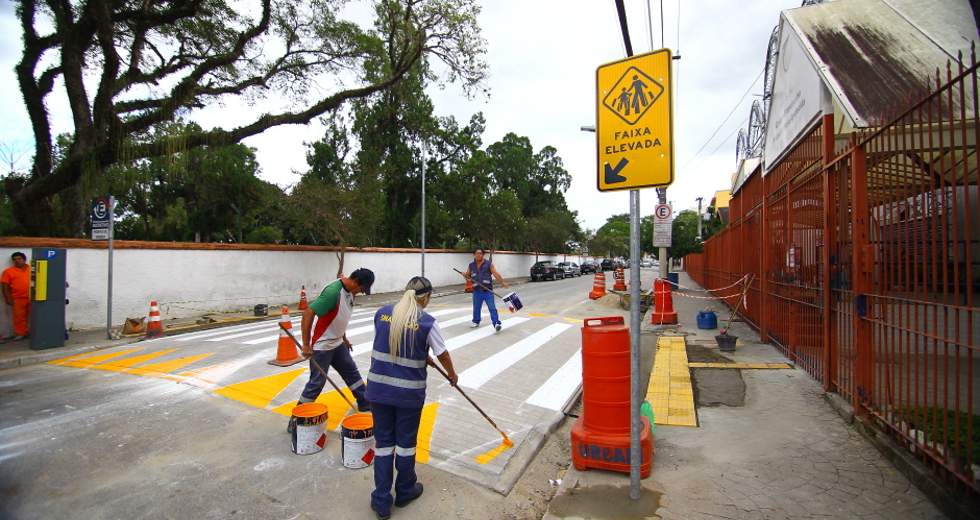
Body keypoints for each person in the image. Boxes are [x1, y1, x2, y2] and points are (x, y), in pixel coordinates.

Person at [366, 276, 458, 520]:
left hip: (378, 391)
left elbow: (389, 342)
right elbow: (443, 354)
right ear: (425, 297)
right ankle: (405, 492)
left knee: (383, 445)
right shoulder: (427, 322)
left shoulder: (382, 314)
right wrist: (452, 375)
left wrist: (420, 353)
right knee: (405, 446)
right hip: (407, 395)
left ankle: (382, 502)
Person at [288, 268, 375, 433]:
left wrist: (344, 338)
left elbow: (340, 317)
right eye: (362, 288)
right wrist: (306, 345)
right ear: (356, 281)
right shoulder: (333, 292)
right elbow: (308, 313)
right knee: (317, 383)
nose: (362, 292)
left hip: (337, 342)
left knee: (351, 372)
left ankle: (364, 402)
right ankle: (296, 420)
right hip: (322, 346)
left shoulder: (350, 292)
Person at [462, 247, 509, 332]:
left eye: (480, 253)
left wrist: (503, 282)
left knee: (492, 307)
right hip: (477, 291)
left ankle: (496, 323)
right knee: (476, 307)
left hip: (488, 291)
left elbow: (495, 273)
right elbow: (468, 277)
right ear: (474, 255)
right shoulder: (471, 265)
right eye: (477, 253)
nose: (478, 255)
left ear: (483, 254)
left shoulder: (488, 264)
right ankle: (476, 321)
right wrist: (465, 274)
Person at [2, 252, 31, 341]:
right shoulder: (8, 272)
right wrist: (8, 298)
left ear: (24, 260)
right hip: (17, 298)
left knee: (36, 315)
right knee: (19, 317)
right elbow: (5, 285)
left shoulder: (33, 269)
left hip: (33, 297)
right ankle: (21, 333)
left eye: (19, 259)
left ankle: (36, 332)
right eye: (15, 259)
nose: (17, 261)